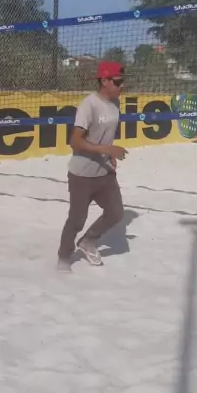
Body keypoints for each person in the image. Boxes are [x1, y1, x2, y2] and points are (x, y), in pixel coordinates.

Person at [58, 61, 128, 271]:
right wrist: (107, 150)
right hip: (81, 174)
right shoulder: (88, 105)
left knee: (116, 213)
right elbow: (75, 141)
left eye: (123, 81)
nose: (122, 85)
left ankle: (88, 241)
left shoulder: (115, 104)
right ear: (104, 81)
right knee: (77, 220)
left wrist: (109, 154)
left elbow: (105, 136)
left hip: (104, 171)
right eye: (118, 82)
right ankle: (63, 257)